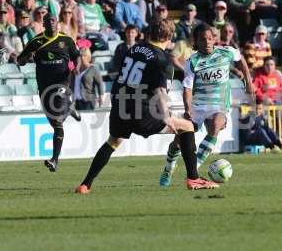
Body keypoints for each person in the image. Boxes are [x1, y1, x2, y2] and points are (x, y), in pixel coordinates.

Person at [76, 19, 219, 194]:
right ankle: (194, 178)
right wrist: (166, 116)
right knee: (187, 126)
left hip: (120, 107)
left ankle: (85, 184)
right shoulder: (162, 59)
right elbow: (160, 90)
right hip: (142, 111)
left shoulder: (133, 49)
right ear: (168, 36)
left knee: (113, 142)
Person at [159, 23, 254, 187]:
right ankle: (169, 167)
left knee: (216, 125)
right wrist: (188, 109)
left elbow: (241, 60)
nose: (208, 42)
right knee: (179, 141)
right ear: (196, 41)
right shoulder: (192, 61)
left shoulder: (226, 52)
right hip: (198, 106)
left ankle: (194, 169)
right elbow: (187, 88)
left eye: (210, 38)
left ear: (214, 39)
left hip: (219, 105)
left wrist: (248, 81)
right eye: (203, 39)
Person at [18, 14, 82, 172]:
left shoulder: (66, 40)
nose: (51, 23)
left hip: (62, 83)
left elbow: (77, 56)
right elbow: (20, 60)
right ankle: (69, 109)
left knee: (58, 118)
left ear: (58, 23)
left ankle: (54, 159)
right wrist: (27, 56)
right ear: (44, 24)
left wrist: (78, 68)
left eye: (53, 20)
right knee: (55, 124)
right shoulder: (36, 41)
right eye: (48, 21)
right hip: (44, 87)